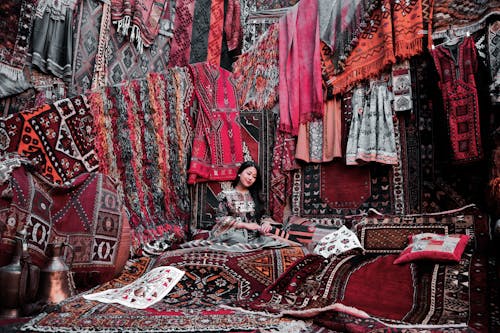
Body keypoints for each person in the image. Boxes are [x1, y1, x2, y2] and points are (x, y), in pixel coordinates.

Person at [181, 160, 292, 252]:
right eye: (248, 174)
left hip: (254, 233)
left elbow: (263, 215)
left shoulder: (255, 196)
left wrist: (265, 223)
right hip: (233, 232)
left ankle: (253, 243)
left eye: (254, 177)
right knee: (237, 238)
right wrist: (244, 225)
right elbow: (220, 219)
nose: (250, 178)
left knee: (269, 238)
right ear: (240, 173)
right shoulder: (226, 195)